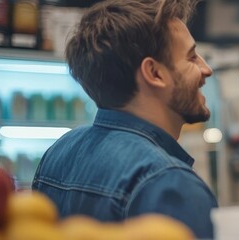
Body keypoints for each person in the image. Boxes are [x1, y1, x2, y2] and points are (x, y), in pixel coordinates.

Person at [32, 0, 217, 238]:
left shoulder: (59, 152)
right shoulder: (170, 183)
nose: (206, 68)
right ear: (154, 73)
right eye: (192, 57)